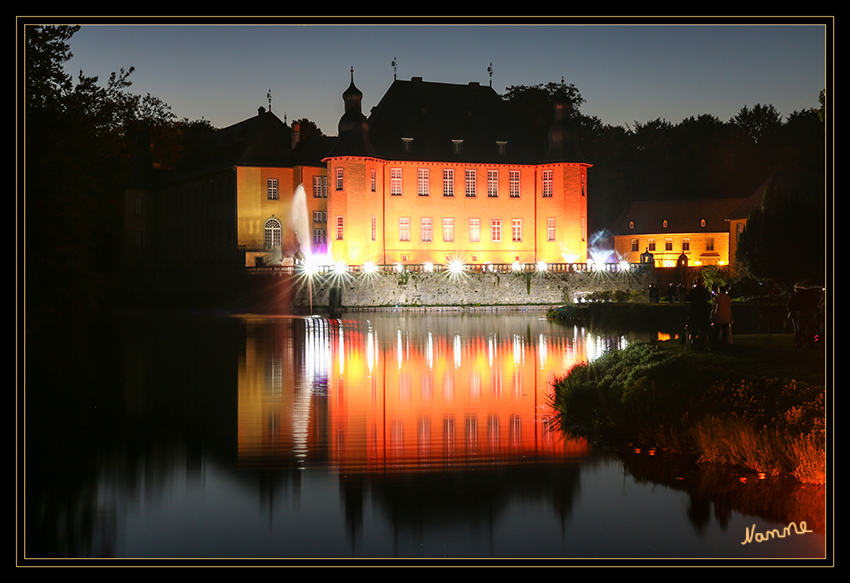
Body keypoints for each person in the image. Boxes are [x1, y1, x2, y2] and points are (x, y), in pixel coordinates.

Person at [787, 282, 820, 348]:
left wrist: (794, 310)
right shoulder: (811, 294)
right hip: (809, 312)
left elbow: (792, 304)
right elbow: (815, 303)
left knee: (800, 329)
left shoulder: (797, 294)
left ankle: (800, 342)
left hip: (800, 313)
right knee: (810, 328)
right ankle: (810, 342)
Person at [685, 278, 712, 349]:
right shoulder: (704, 291)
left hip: (695, 312)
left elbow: (687, 298)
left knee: (694, 329)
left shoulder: (693, 291)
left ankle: (694, 342)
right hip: (703, 312)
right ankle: (702, 343)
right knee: (703, 329)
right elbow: (708, 297)